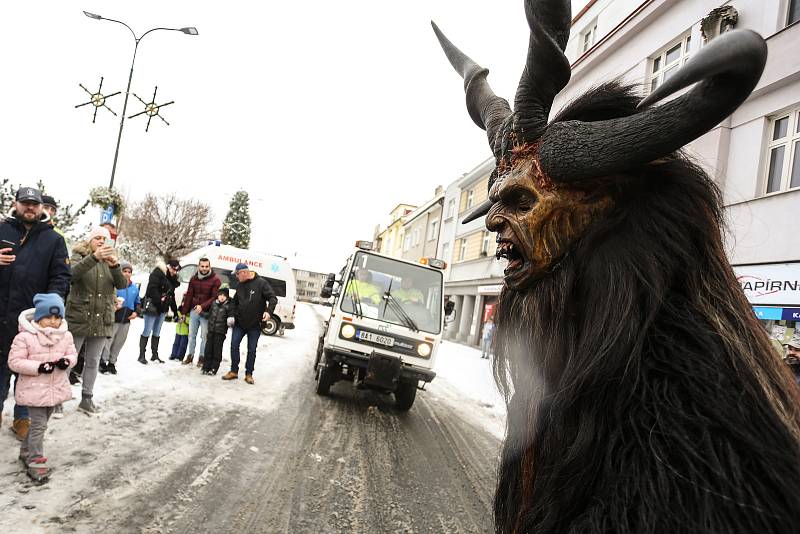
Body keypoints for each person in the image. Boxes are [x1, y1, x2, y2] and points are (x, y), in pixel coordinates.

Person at [0, 187, 70, 440]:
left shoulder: (53, 239)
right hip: (0, 313)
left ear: (41, 208)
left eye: (35, 204)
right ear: (15, 204)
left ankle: (22, 418)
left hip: (31, 320)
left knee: (28, 371)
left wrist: (49, 309)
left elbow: (61, 277)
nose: (30, 207)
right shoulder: (2, 229)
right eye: (25, 203)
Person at [7, 294, 77, 483]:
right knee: (38, 425)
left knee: (41, 423)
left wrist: (67, 362)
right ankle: (35, 460)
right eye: (48, 317)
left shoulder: (66, 335)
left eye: (57, 317)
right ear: (38, 317)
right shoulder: (25, 337)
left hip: (54, 389)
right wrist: (37, 367)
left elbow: (72, 354)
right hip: (34, 390)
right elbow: (14, 362)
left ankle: (25, 450)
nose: (53, 322)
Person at [66, 226, 126, 414]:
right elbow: (71, 275)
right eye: (97, 238)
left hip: (102, 318)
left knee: (93, 360)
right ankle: (58, 399)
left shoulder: (111, 260)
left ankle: (87, 399)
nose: (101, 241)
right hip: (79, 315)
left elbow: (122, 284)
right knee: (69, 359)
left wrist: (115, 266)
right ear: (90, 240)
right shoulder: (78, 255)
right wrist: (94, 258)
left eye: (104, 239)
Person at [222, 263, 277, 385]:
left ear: (243, 273)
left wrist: (268, 312)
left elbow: (273, 298)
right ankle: (234, 371)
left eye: (237, 274)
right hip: (240, 324)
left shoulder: (261, 283)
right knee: (234, 345)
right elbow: (234, 303)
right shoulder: (240, 285)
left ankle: (249, 374)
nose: (236, 277)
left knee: (251, 350)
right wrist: (231, 315)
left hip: (255, 325)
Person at [99, 262, 142, 374]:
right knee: (108, 341)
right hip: (114, 318)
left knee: (119, 342)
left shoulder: (134, 288)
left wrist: (136, 312)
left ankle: (112, 363)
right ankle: (102, 361)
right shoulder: (115, 285)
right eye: (124, 271)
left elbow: (138, 302)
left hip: (126, 320)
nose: (127, 274)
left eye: (129, 272)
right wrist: (113, 306)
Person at [180, 257, 221, 367]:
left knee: (204, 337)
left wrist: (202, 306)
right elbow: (189, 295)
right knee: (191, 335)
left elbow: (214, 297)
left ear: (210, 267)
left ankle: (202, 358)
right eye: (202, 266)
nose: (204, 268)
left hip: (206, 313)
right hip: (194, 311)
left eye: (206, 266)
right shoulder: (194, 279)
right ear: (199, 266)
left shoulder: (216, 280)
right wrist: (184, 313)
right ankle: (190, 356)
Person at [140, 259, 180, 364]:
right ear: (168, 266)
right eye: (173, 269)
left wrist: (175, 311)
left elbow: (171, 295)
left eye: (176, 270)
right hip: (153, 306)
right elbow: (152, 290)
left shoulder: (172, 279)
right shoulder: (157, 273)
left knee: (157, 331)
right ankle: (141, 355)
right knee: (147, 330)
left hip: (163, 308)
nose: (174, 272)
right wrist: (159, 303)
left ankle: (154, 354)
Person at [202, 287, 231, 376]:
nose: (222, 297)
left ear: (227, 297)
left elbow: (230, 318)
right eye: (220, 295)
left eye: (224, 296)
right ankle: (206, 367)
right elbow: (209, 315)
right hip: (211, 330)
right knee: (208, 349)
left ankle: (214, 368)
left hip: (220, 332)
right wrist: (202, 313)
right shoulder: (214, 304)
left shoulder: (228, 306)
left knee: (217, 351)